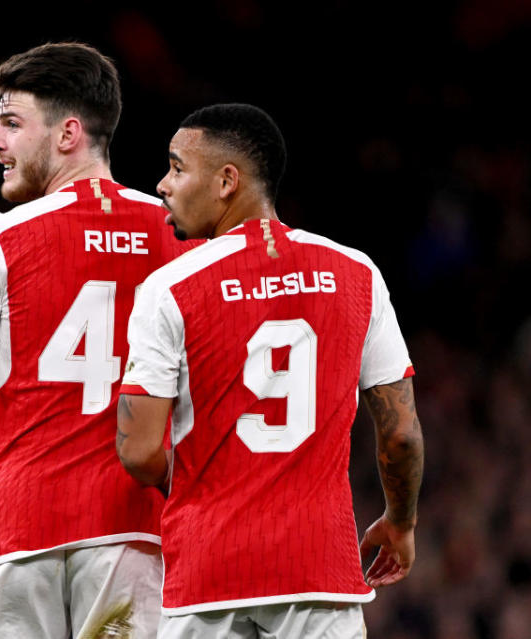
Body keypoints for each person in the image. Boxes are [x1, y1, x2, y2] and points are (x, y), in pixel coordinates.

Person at [115, 103, 424, 638]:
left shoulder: (171, 288)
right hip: (319, 572)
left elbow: (140, 450)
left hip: (209, 574)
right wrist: (400, 521)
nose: (163, 184)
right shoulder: (357, 273)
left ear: (226, 181)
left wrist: (207, 488)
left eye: (177, 167)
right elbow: (400, 435)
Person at [0, 42, 199, 638]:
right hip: (137, 529)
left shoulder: (1, 238)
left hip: (24, 526)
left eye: (11, 124)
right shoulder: (178, 236)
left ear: (69, 133)